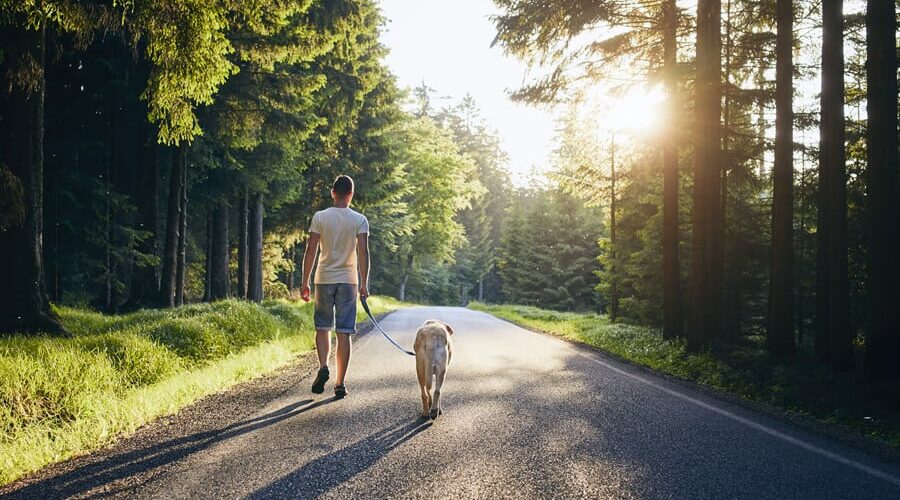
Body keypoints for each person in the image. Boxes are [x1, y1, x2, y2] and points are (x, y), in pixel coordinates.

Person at [300, 175, 370, 399]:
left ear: (333, 193)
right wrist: (364, 283)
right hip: (349, 280)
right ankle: (340, 383)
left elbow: (311, 250)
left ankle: (323, 366)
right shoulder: (360, 219)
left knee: (322, 327)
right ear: (351, 195)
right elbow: (363, 253)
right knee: (344, 332)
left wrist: (305, 281)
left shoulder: (320, 217)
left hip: (324, 278)